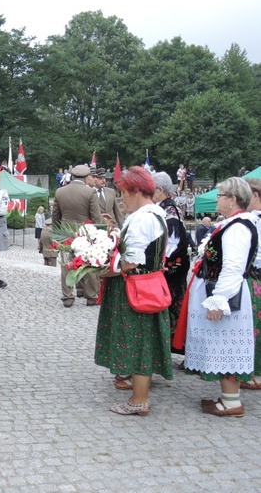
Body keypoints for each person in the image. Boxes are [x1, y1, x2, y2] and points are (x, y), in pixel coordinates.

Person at [173, 177, 258, 417]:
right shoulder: (233, 224)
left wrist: (219, 300)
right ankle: (228, 398)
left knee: (226, 344)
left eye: (220, 195)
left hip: (225, 295)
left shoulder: (238, 228)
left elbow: (233, 267)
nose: (217, 199)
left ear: (232, 200)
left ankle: (231, 403)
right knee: (221, 344)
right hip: (217, 289)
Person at [95, 166, 171, 416]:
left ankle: (139, 400)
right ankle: (139, 397)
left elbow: (131, 262)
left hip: (135, 290)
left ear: (137, 191)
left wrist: (105, 268)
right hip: (147, 286)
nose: (121, 199)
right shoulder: (155, 214)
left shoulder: (142, 218)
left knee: (138, 343)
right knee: (143, 342)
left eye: (124, 193)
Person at [52, 164, 102, 307]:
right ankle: (91, 296)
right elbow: (96, 218)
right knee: (90, 264)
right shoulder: (90, 193)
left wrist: (58, 233)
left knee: (66, 265)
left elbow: (56, 216)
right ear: (86, 177)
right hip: (85, 233)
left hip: (66, 233)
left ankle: (67, 297)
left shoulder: (60, 192)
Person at [152, 172, 190, 354]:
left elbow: (172, 244)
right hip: (171, 269)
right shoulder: (164, 208)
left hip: (172, 271)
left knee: (173, 308)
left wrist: (157, 260)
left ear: (160, 190)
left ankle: (172, 347)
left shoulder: (170, 211)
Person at [242, 178, 261, 390]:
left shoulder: (254, 220)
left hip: (255, 278)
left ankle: (253, 373)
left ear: (255, 196)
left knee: (253, 327)